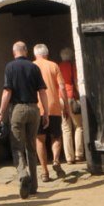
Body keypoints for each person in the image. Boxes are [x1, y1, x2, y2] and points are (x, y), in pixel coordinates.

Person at [0, 40, 45, 198]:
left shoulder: (10, 67)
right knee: (31, 146)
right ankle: (34, 186)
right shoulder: (34, 67)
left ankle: (23, 175)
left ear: (14, 52)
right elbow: (42, 92)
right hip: (33, 108)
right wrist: (46, 112)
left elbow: (7, 92)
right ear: (26, 51)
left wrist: (1, 112)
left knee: (17, 146)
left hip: (17, 109)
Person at [32, 43, 67, 180]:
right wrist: (66, 107)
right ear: (46, 53)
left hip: (38, 107)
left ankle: (44, 172)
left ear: (35, 54)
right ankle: (56, 160)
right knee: (56, 136)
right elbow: (62, 87)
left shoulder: (32, 66)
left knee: (40, 139)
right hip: (54, 106)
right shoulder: (54, 65)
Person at [59, 46, 84, 164]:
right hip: (71, 97)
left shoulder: (58, 67)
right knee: (78, 126)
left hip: (60, 98)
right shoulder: (72, 66)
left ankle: (69, 157)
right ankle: (79, 154)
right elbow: (76, 81)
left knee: (66, 128)